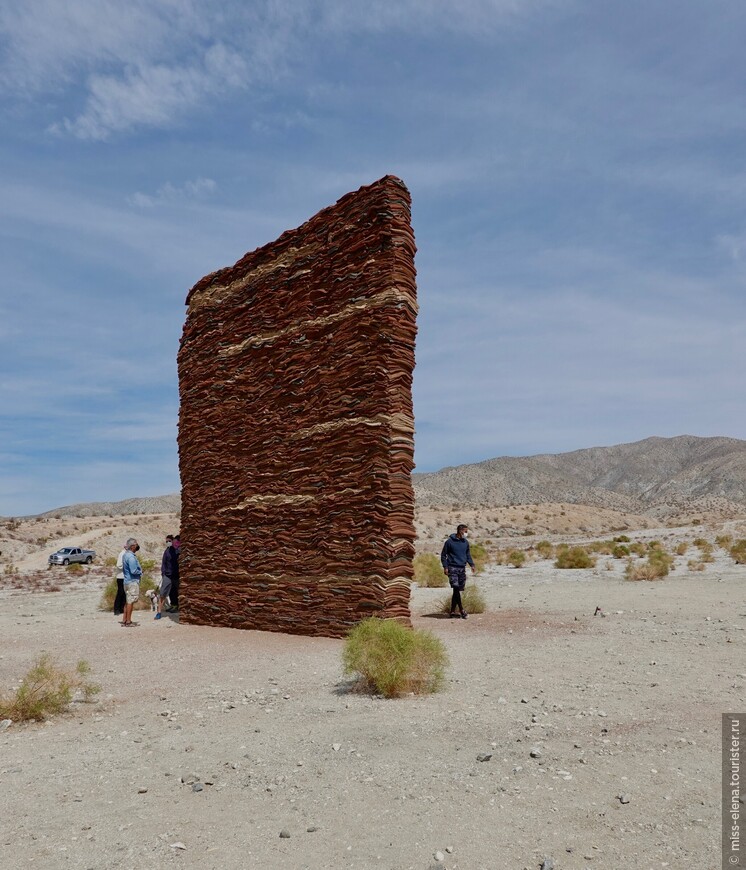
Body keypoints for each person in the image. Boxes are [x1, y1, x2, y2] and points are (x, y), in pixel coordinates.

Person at [440, 524, 476, 619]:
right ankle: (461, 610)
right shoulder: (449, 542)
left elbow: (468, 555)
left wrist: (472, 564)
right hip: (452, 568)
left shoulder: (465, 542)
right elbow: (443, 555)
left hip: (462, 568)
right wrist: (445, 567)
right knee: (455, 587)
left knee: (457, 590)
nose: (466, 533)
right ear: (460, 530)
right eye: (465, 531)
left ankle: (452, 611)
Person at [121, 538, 143, 627]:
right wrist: (141, 572)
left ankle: (124, 620)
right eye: (136, 544)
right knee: (130, 601)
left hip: (126, 581)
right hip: (132, 582)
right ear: (133, 546)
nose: (137, 546)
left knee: (127, 601)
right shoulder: (131, 557)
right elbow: (133, 570)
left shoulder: (125, 555)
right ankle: (128, 621)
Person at [156, 535, 176, 620]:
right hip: (167, 575)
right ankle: (159, 612)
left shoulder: (176, 550)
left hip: (176, 575)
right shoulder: (166, 551)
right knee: (162, 593)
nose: (168, 543)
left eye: (169, 541)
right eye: (166, 541)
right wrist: (163, 573)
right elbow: (163, 563)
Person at [167, 534, 181, 612]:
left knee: (177, 590)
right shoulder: (171, 550)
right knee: (172, 591)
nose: (174, 544)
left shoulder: (180, 551)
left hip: (178, 574)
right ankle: (173, 605)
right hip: (172, 574)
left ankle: (178, 606)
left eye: (176, 543)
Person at [113, 543, 127, 617]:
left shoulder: (127, 554)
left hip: (125, 577)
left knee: (124, 593)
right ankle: (116, 609)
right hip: (120, 577)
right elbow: (119, 565)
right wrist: (127, 566)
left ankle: (122, 608)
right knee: (120, 592)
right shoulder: (122, 554)